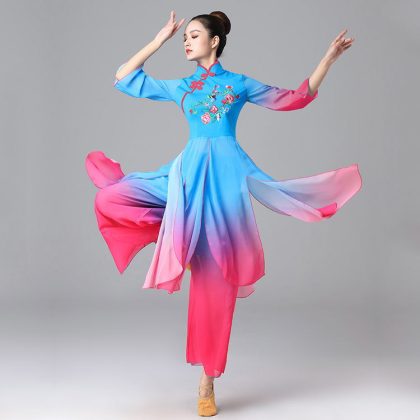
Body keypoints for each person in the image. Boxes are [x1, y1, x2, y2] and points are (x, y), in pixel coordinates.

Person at [85, 10, 362, 417]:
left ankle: (207, 382)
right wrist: (159, 40)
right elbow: (124, 77)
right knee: (111, 199)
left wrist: (328, 59)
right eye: (185, 36)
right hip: (186, 175)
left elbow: (296, 98)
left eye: (193, 35)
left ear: (214, 41)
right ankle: (178, 232)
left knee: (216, 283)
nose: (186, 41)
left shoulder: (238, 84)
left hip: (226, 181)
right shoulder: (182, 86)